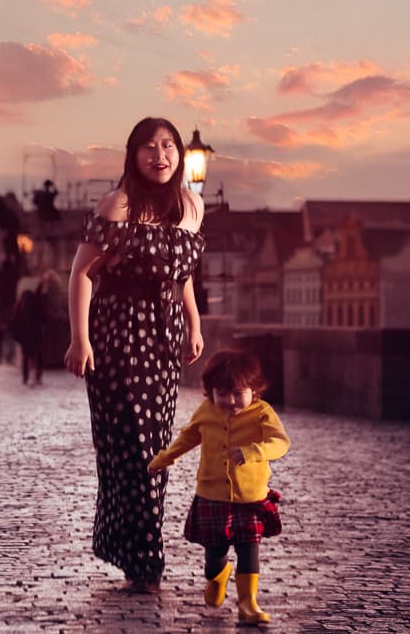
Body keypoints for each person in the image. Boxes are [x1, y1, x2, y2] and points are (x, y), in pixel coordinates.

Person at [64, 116, 205, 593]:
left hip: (163, 343)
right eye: (148, 146)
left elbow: (182, 275)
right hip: (118, 335)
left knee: (154, 449)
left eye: (168, 146)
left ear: (180, 155)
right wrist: (80, 339)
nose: (160, 155)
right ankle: (147, 560)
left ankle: (131, 549)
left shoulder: (192, 206)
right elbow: (81, 274)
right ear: (133, 155)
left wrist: (195, 322)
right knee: (128, 450)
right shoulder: (118, 205)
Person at [147, 350, 290, 625]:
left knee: (249, 549)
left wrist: (254, 451)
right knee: (215, 553)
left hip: (251, 497)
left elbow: (281, 442)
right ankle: (218, 574)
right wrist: (165, 457)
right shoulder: (206, 412)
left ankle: (248, 604)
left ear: (254, 390)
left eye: (238, 393)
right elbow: (187, 438)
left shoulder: (262, 413)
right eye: (222, 394)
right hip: (212, 496)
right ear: (210, 392)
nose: (231, 401)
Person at [11, 288, 47, 385]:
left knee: (26, 356)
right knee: (38, 355)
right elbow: (43, 318)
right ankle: (37, 375)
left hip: (25, 337)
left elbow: (14, 323)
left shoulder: (19, 306)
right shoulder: (36, 305)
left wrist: (17, 337)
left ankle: (26, 377)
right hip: (35, 335)